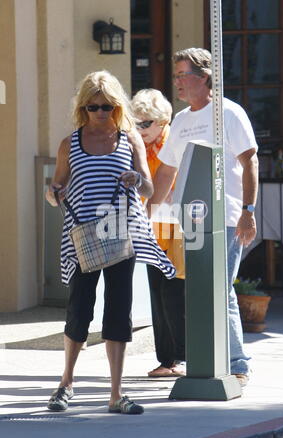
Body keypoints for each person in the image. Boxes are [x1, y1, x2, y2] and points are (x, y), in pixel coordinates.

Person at [45, 70, 175, 414]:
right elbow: (55, 189)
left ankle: (116, 393)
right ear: (83, 108)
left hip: (122, 233)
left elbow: (148, 189)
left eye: (106, 106)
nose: (100, 112)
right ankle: (65, 383)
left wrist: (136, 178)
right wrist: (53, 192)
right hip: (83, 237)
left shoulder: (129, 138)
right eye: (92, 107)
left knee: (118, 313)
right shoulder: (70, 144)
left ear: (116, 106)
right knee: (78, 311)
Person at [147, 48, 259, 387]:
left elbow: (250, 161)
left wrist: (248, 212)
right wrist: (147, 212)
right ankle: (205, 360)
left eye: (184, 75)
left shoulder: (228, 113)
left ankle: (238, 363)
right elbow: (167, 171)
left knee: (220, 290)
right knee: (197, 291)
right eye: (176, 75)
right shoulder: (181, 121)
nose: (177, 82)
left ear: (205, 77)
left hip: (226, 217)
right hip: (190, 220)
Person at [131, 89, 186, 377]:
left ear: (163, 120)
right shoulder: (136, 147)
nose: (140, 129)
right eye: (135, 123)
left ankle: (182, 357)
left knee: (174, 294)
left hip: (176, 230)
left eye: (146, 123)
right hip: (150, 230)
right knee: (156, 295)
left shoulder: (173, 144)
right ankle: (166, 361)